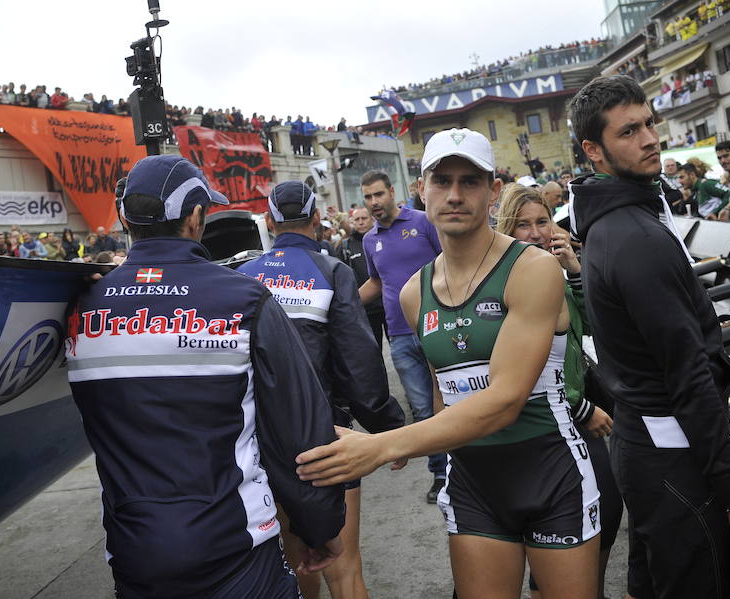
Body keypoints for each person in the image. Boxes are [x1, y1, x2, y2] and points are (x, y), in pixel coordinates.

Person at [297, 128, 599, 599]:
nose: (454, 195)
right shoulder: (417, 292)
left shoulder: (533, 268)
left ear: (493, 191)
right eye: (442, 181)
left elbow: (504, 402)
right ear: (422, 188)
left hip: (551, 475)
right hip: (474, 483)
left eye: (470, 182)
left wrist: (385, 445)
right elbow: (445, 392)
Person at [65, 154, 344, 598]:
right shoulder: (245, 297)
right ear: (196, 217)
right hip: (238, 548)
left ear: (125, 218)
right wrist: (319, 526)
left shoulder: (80, 303)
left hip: (134, 553)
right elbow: (298, 428)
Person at [567, 74, 730, 599]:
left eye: (650, 122)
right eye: (629, 131)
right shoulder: (633, 236)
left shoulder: (613, 220)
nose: (651, 137)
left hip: (647, 450)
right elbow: (688, 374)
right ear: (595, 151)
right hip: (676, 458)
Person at [237, 181, 405, 599]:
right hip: (324, 439)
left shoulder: (240, 276)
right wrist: (387, 428)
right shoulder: (332, 270)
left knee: (295, 565)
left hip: (259, 444)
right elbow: (358, 362)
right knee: (344, 569)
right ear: (316, 219)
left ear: (270, 222)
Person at [496, 183, 622, 599]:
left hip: (571, 407)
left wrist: (572, 269)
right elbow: (518, 369)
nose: (534, 233)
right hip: (547, 418)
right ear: (505, 230)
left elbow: (594, 325)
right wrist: (583, 408)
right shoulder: (506, 278)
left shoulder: (550, 268)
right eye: (522, 225)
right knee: (580, 512)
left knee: (599, 510)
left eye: (542, 221)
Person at [356, 169, 448, 503]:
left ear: (392, 192)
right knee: (423, 409)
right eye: (367, 197)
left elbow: (449, 262)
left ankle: (463, 471)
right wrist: (342, 301)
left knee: (449, 403)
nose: (374, 203)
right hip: (398, 335)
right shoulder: (370, 240)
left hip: (436, 325)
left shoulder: (423, 222)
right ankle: (440, 476)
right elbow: (377, 282)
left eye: (378, 194)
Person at [340, 207, 388, 350]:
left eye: (364, 218)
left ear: (372, 219)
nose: (360, 222)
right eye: (357, 219)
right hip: (365, 309)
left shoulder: (382, 238)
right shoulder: (346, 246)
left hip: (388, 306)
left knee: (400, 349)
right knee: (373, 351)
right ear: (352, 222)